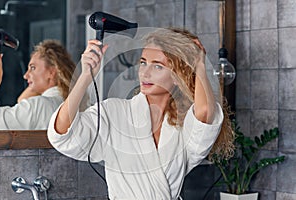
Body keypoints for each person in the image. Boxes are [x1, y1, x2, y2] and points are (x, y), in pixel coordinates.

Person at [47, 28, 233, 199]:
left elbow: (205, 111)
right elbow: (63, 133)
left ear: (178, 76)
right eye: (143, 63)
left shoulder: (182, 127)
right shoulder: (114, 114)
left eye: (158, 66)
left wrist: (199, 63)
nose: (145, 73)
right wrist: (85, 77)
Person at [0, 39, 76, 130]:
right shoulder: (71, 104)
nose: (25, 76)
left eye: (33, 68)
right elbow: (21, 100)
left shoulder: (39, 105)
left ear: (52, 72)